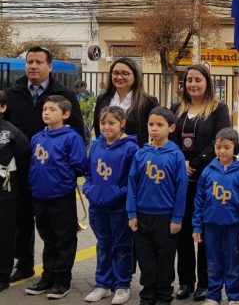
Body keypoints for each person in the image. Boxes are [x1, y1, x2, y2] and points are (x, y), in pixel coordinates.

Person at [5, 46, 85, 283]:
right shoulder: (11, 94)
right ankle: (25, 263)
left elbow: (79, 132)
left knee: (56, 228)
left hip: (54, 175)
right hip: (19, 170)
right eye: (29, 62)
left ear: (49, 66)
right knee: (22, 220)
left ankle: (59, 274)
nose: (33, 66)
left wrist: (67, 169)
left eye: (39, 62)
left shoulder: (65, 96)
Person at [170, 64, 231, 301]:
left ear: (207, 82)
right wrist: (180, 161)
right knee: (183, 233)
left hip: (207, 179)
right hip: (181, 180)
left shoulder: (218, 109)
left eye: (198, 79)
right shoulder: (177, 109)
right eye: (189, 80)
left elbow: (221, 139)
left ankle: (205, 283)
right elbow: (171, 137)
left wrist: (194, 161)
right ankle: (185, 281)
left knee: (204, 234)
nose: (193, 84)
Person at [25, 95, 88, 299]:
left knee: (64, 239)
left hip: (60, 196)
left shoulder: (71, 137)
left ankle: (62, 280)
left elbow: (79, 165)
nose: (46, 112)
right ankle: (47, 276)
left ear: (65, 114)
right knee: (47, 238)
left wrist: (62, 175)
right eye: (45, 109)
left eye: (52, 109)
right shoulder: (37, 138)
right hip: (39, 196)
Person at [127, 107, 188, 305]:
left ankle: (163, 295)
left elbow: (181, 189)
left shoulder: (176, 155)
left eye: (159, 125)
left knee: (165, 259)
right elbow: (132, 184)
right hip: (143, 215)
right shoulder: (140, 154)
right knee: (146, 259)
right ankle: (147, 295)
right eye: (151, 125)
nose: (154, 129)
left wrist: (177, 218)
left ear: (171, 128)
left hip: (166, 217)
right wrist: (132, 213)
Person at [83, 106, 139, 304]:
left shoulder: (131, 148)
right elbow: (89, 172)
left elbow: (132, 181)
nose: (106, 127)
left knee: (121, 246)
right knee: (103, 244)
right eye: (103, 123)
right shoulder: (97, 145)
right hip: (97, 206)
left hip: (119, 207)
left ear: (122, 124)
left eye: (111, 123)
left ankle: (122, 285)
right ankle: (103, 284)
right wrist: (89, 189)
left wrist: (117, 193)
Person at [192, 128, 239, 305]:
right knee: (212, 263)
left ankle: (234, 296)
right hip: (211, 226)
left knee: (233, 263)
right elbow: (199, 200)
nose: (222, 151)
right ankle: (213, 295)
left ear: (236, 148)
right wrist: (197, 226)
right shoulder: (208, 171)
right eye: (219, 147)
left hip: (233, 227)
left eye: (226, 147)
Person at [0, 90, 30, 293]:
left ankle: (2, 276)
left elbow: (24, 163)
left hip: (6, 196)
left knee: (4, 236)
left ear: (2, 108)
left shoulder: (12, 133)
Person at [94, 58, 159, 146]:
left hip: (135, 155)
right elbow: (98, 128)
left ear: (135, 76)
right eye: (115, 73)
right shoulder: (102, 99)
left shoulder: (149, 102)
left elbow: (157, 131)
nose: (119, 77)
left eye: (125, 73)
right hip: (107, 154)